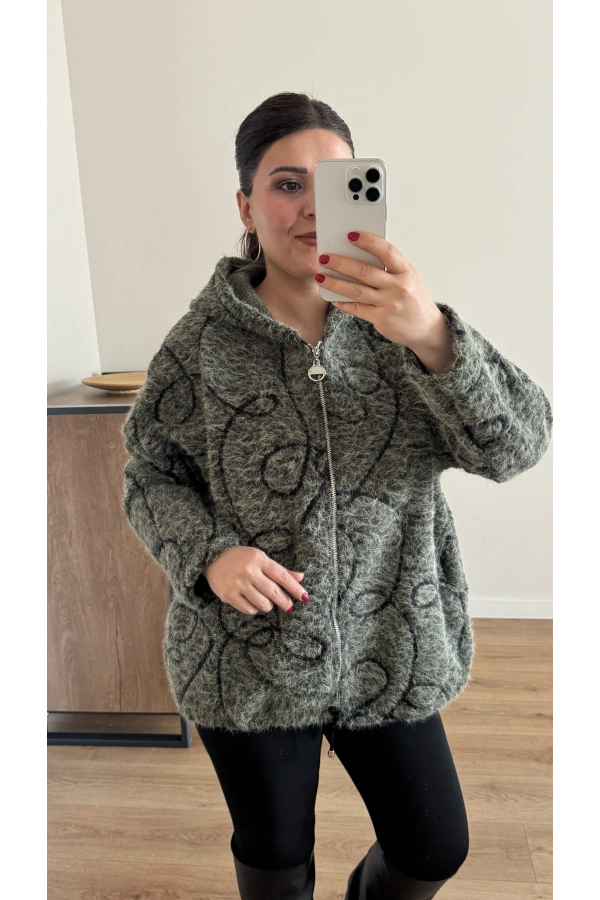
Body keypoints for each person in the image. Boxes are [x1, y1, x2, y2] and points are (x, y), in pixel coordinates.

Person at [121, 91, 553, 900]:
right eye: (288, 185)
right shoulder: (199, 346)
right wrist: (210, 557)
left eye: (336, 183)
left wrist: (431, 336)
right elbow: (149, 474)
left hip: (393, 640)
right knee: (275, 854)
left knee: (433, 847)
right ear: (246, 206)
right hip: (246, 655)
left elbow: (517, 446)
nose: (314, 208)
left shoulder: (411, 329)